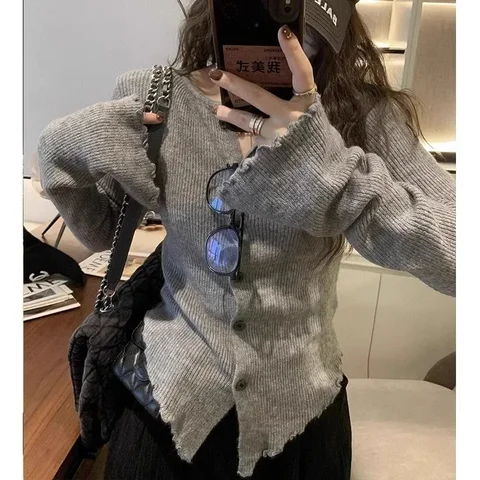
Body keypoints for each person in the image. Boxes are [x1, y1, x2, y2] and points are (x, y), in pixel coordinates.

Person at [37, 0, 456, 478]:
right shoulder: (156, 97)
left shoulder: (362, 114)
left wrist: (331, 176)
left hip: (301, 421)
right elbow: (101, 232)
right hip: (166, 411)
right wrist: (61, 160)